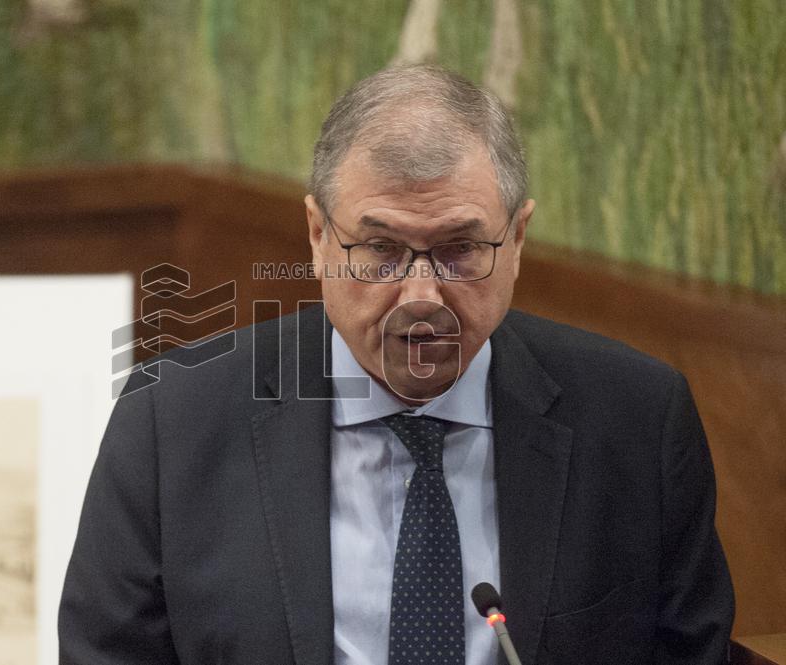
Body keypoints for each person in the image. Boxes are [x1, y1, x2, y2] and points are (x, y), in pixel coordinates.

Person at [59, 65, 734, 665]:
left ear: (519, 237)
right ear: (320, 238)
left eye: (460, 249)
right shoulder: (171, 422)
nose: (420, 296)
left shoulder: (637, 420)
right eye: (380, 248)